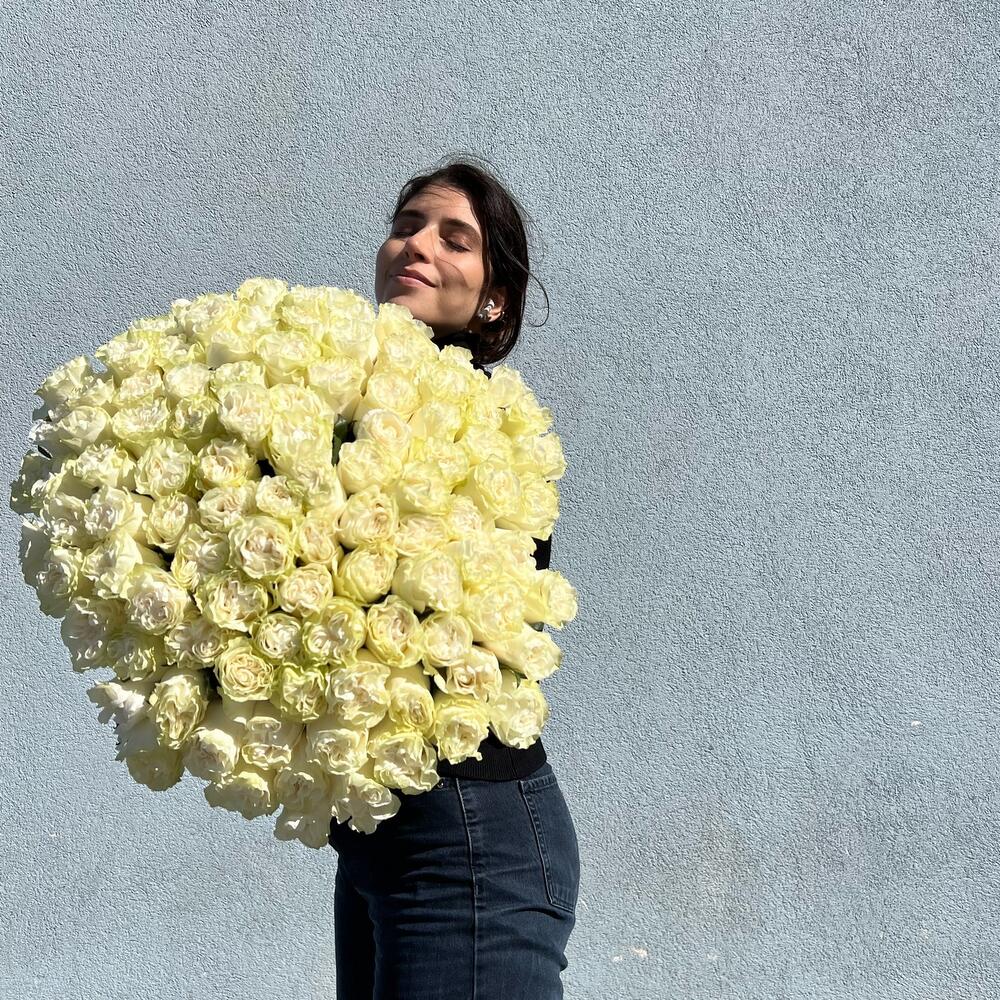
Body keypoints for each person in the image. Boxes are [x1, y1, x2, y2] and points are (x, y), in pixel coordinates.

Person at [327, 156, 581, 999]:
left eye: (454, 239)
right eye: (405, 227)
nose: (417, 246)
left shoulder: (490, 430)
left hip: (472, 845)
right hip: (385, 838)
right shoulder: (352, 405)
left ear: (493, 299)